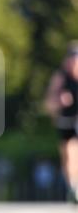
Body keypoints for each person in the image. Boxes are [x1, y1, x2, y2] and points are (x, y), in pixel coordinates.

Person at [45, 42, 78, 204]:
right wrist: (59, 101)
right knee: (67, 156)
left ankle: (75, 187)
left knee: (73, 152)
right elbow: (48, 104)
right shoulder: (60, 78)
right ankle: (73, 187)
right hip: (65, 122)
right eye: (72, 58)